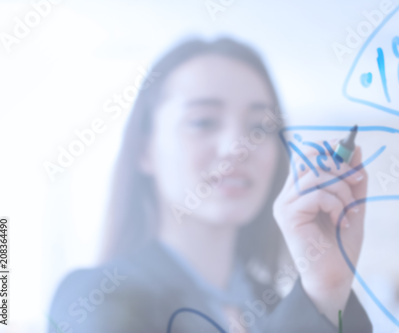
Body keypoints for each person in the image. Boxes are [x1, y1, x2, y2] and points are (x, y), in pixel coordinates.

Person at [47, 37, 372, 333]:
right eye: (203, 121)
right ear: (145, 149)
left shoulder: (280, 304)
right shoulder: (97, 297)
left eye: (259, 126)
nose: (238, 146)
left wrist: (326, 290)